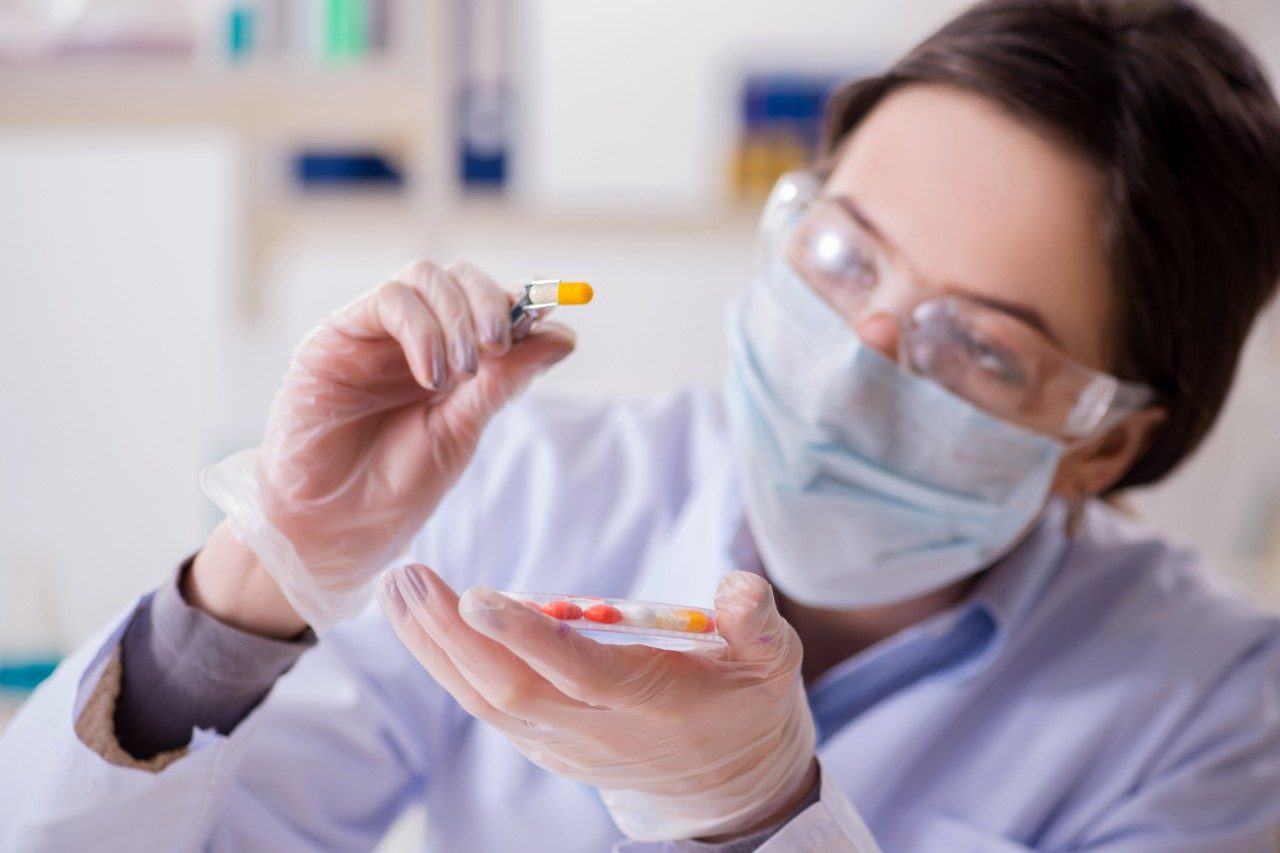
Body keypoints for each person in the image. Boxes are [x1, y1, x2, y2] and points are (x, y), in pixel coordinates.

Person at [4, 0, 1280, 849]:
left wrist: (755, 812)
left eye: (979, 346)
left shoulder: (1216, 707)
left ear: (1106, 441)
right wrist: (255, 577)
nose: (850, 367)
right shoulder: (532, 488)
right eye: (843, 256)